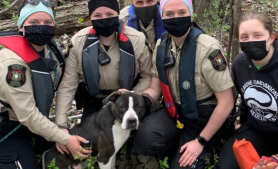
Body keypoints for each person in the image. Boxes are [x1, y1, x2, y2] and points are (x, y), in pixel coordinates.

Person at [132, 0, 235, 168]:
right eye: (169, 14)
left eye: (182, 12)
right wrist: (132, 99)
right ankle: (179, 145)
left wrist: (200, 141)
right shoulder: (161, 46)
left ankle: (208, 147)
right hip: (175, 113)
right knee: (144, 139)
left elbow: (226, 102)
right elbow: (154, 89)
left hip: (202, 119)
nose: (176, 18)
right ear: (162, 16)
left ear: (191, 13)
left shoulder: (207, 48)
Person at [0, 1, 91, 168]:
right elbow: (27, 114)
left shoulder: (50, 49)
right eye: (33, 23)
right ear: (22, 26)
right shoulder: (13, 64)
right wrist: (65, 139)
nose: (41, 27)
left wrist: (61, 129)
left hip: (30, 123)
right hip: (8, 126)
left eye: (47, 22)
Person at [54, 0, 152, 154]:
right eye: (97, 15)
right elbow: (67, 85)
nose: (104, 18)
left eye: (109, 14)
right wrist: (61, 126)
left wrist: (132, 95)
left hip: (129, 102)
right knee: (89, 147)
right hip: (96, 101)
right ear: (90, 17)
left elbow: (148, 76)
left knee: (142, 142)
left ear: (118, 15)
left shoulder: (137, 40)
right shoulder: (79, 42)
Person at [217, 11, 278, 169]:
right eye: (244, 37)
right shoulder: (239, 64)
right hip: (257, 130)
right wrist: (243, 120)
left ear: (271, 37)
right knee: (226, 165)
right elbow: (245, 97)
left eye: (257, 35)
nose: (251, 42)